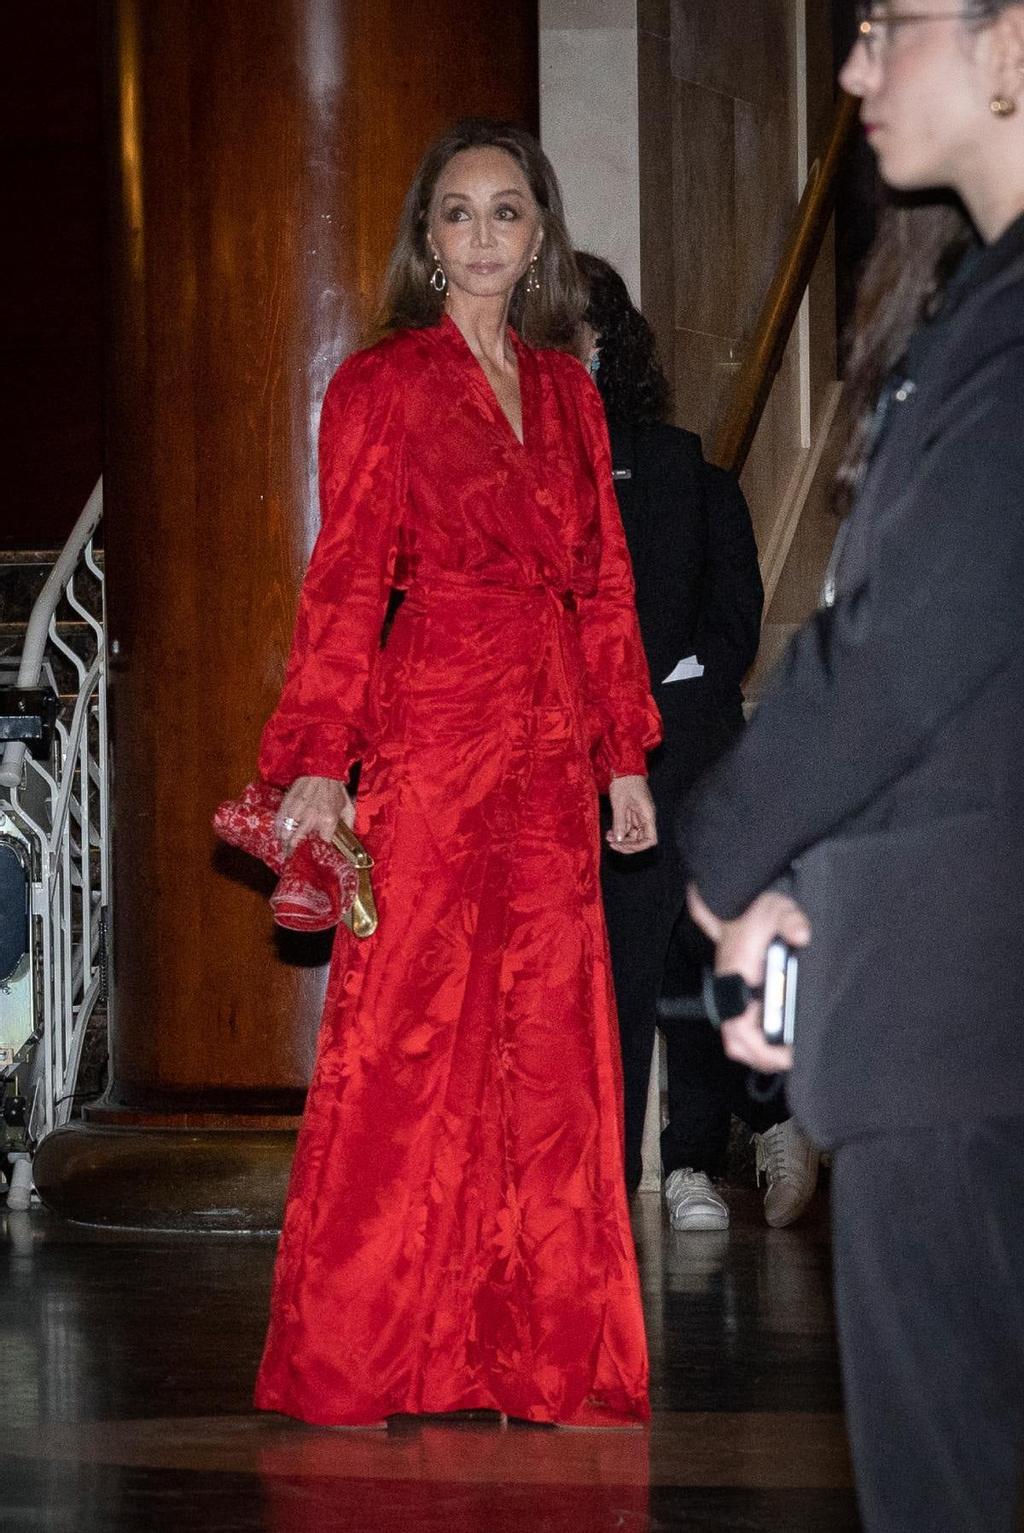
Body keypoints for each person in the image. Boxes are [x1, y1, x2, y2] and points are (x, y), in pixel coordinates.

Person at [252, 119, 661, 1429]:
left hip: (549, 748)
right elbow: (344, 584)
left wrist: (624, 755)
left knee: (547, 1060)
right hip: (431, 729)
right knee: (403, 1042)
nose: (483, 236)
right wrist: (318, 760)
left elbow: (604, 588)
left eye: (506, 212)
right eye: (457, 214)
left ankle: (539, 1356)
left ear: (541, 236)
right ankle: (365, 1355)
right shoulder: (378, 387)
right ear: (426, 244)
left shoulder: (574, 397)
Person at [682, 4, 1024, 1527]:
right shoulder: (978, 303)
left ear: (1010, 43)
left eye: (889, 26)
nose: (854, 67)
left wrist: (726, 849)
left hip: (969, 1014)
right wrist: (811, 894)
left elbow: (900, 650)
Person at [577, 253, 819, 1230]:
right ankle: (678, 1152)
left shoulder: (681, 469)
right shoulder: (507, 467)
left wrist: (650, 698)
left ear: (608, 341)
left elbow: (730, 627)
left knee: (679, 929)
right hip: (550, 739)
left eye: (573, 329)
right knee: (632, 947)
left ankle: (712, 1144)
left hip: (676, 734)